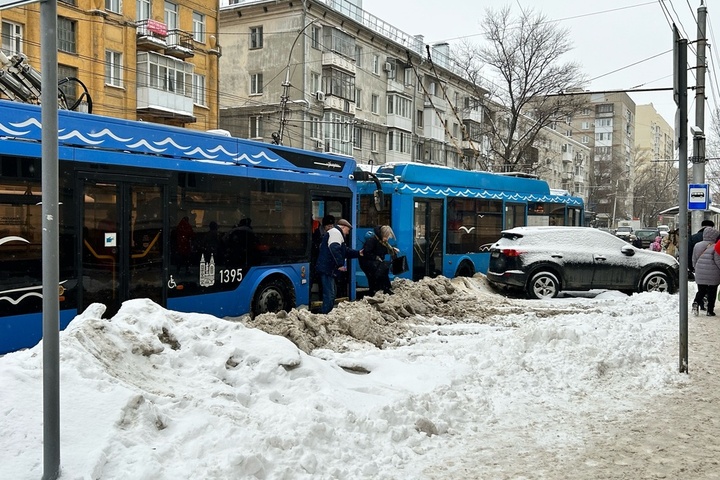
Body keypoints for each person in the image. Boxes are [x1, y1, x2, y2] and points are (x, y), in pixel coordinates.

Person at [316, 218, 362, 314]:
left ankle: (326, 313)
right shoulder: (336, 233)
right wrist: (340, 264)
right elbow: (335, 249)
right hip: (327, 269)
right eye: (348, 230)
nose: (348, 233)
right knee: (330, 294)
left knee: (330, 293)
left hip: (327, 268)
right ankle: (324, 315)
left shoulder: (335, 233)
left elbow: (345, 251)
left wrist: (358, 253)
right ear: (343, 227)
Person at [359, 225, 399, 296]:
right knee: (376, 275)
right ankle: (379, 291)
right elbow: (367, 252)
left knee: (381, 272)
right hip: (367, 262)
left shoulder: (380, 240)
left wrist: (392, 250)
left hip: (373, 262)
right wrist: (376, 257)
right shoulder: (372, 240)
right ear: (382, 234)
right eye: (386, 237)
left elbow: (381, 250)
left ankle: (382, 290)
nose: (387, 239)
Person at [691, 227, 720, 316]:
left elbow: (694, 259)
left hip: (700, 272)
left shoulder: (697, 245)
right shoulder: (715, 246)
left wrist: (696, 268)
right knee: (712, 292)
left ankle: (696, 302)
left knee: (701, 290)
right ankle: (710, 311)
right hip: (713, 273)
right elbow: (717, 260)